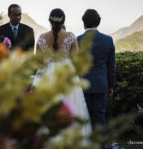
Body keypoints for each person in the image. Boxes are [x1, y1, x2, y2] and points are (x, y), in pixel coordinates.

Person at [35, 8, 91, 138]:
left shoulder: (41, 38)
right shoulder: (71, 36)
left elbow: (37, 62)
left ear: (49, 20)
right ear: (63, 21)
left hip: (46, 75)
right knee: (70, 108)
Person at [77, 9, 115, 127]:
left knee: (83, 119)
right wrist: (111, 85)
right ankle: (101, 144)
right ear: (98, 22)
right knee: (100, 118)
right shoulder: (108, 40)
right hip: (101, 84)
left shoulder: (77, 40)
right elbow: (111, 65)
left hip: (83, 85)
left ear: (83, 23)